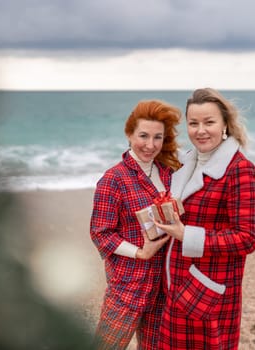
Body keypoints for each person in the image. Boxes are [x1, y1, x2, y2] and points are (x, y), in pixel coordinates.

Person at [154, 88, 255, 349]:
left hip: (207, 290)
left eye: (209, 122)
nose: (200, 130)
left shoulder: (241, 171)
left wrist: (186, 235)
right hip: (175, 283)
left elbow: (247, 238)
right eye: (193, 123)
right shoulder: (186, 163)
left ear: (225, 124)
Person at [90, 100, 181, 349]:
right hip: (129, 284)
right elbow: (100, 234)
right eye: (143, 136)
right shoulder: (113, 179)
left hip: (163, 284)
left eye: (157, 137)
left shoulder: (169, 173)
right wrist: (140, 252)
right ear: (129, 134)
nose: (150, 145)